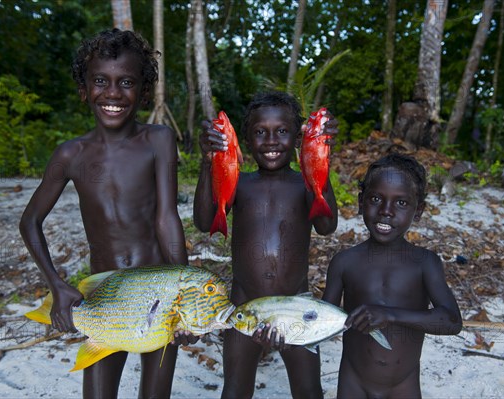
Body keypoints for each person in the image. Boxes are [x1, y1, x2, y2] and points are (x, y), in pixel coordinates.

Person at [19, 29, 190, 399]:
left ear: (143, 91)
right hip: (104, 299)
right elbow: (30, 221)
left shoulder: (158, 140)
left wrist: (185, 291)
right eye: (100, 81)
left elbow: (166, 218)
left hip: (160, 294)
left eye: (126, 82)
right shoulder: (71, 155)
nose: (112, 93)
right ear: (84, 89)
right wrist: (56, 284)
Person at [193, 91, 339, 398]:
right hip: (244, 306)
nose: (271, 141)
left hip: (295, 307)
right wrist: (208, 162)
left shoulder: (303, 184)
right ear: (245, 139)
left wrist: (320, 157)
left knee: (309, 391)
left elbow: (327, 226)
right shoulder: (240, 183)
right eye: (260, 133)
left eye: (282, 132)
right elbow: (206, 221)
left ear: (298, 138)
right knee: (234, 390)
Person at [322, 153, 463, 398]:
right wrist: (285, 330)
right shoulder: (345, 262)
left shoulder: (424, 263)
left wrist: (389, 315)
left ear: (418, 211)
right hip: (353, 383)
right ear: (361, 201)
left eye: (401, 203)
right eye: (376, 198)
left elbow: (451, 321)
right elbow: (321, 321)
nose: (386, 211)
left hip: (403, 387)